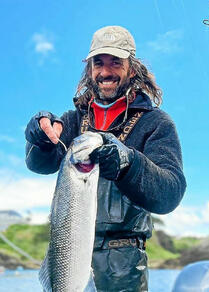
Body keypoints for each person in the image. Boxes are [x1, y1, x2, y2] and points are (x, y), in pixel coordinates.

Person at [25, 25, 186, 292]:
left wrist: (129, 164)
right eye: (98, 63)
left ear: (131, 68)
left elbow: (171, 193)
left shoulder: (155, 123)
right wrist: (39, 139)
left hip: (124, 265)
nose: (106, 72)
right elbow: (39, 164)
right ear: (89, 69)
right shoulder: (72, 120)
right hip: (67, 254)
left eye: (116, 63)